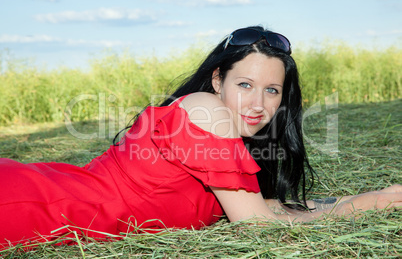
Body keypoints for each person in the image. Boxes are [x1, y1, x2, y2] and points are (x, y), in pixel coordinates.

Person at [0, 26, 400, 247]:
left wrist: (345, 201)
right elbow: (258, 225)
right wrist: (366, 204)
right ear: (217, 80)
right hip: (23, 204)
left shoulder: (220, 138)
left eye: (272, 90)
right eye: (245, 84)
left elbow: (265, 207)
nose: (258, 102)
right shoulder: (206, 110)